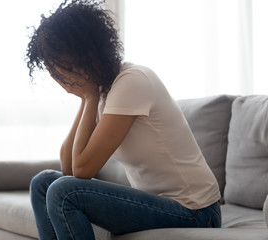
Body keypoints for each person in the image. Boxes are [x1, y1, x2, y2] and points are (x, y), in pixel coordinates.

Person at [25, 0, 221, 239]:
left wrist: (88, 96)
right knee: (43, 183)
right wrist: (87, 97)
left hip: (196, 212)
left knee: (64, 192)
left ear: (86, 54)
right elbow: (68, 167)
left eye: (63, 66)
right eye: (55, 69)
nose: (62, 76)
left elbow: (82, 169)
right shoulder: (102, 90)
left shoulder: (131, 81)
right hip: (158, 204)